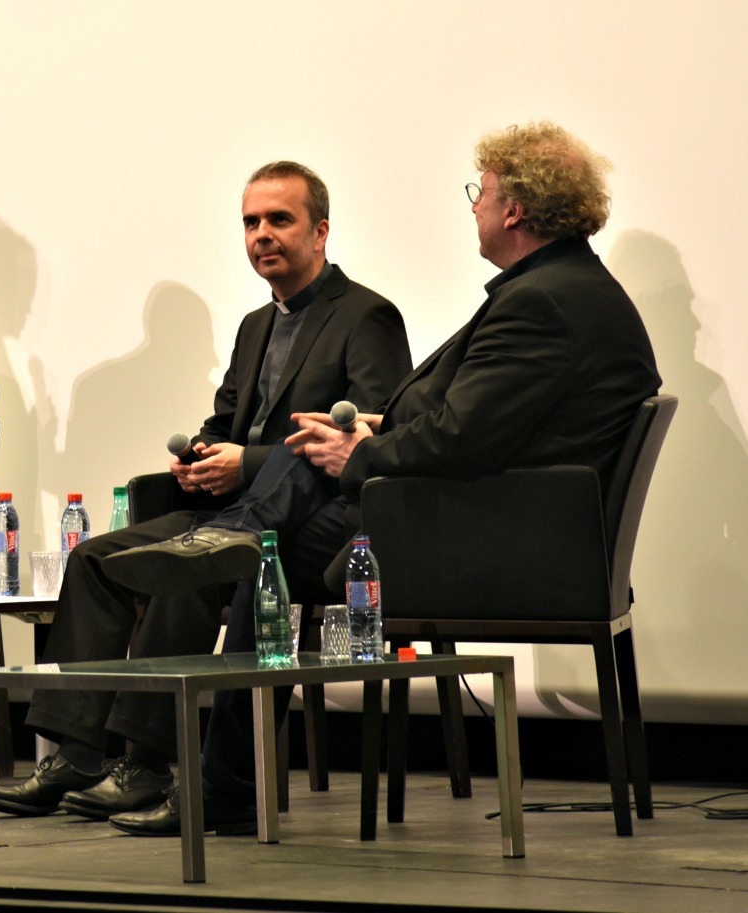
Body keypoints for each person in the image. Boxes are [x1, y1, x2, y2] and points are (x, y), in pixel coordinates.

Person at [97, 121, 662, 836]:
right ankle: (220, 739)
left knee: (264, 552)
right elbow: (478, 426)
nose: (474, 206)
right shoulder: (559, 288)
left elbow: (459, 437)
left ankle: (225, 777)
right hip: (503, 521)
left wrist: (359, 453)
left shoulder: (542, 301)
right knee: (299, 483)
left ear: (514, 209)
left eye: (479, 193)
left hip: (494, 544)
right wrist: (369, 434)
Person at [0, 163, 411, 821]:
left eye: (278, 219)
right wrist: (202, 455)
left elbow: (365, 437)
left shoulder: (364, 315)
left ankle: (146, 763)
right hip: (230, 506)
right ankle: (73, 753)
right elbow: (225, 420)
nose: (260, 234)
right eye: (249, 222)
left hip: (313, 517)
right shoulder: (252, 326)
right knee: (96, 561)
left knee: (192, 566)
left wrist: (251, 461)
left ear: (320, 231)